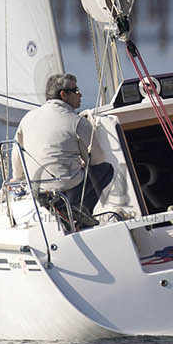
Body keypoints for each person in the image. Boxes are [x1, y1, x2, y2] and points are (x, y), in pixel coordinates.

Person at [14, 73, 114, 230]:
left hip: (37, 191)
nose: (80, 94)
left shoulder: (27, 118)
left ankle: (70, 213)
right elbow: (97, 160)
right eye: (76, 90)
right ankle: (79, 212)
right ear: (63, 94)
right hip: (67, 191)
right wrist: (81, 163)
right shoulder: (78, 122)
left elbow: (17, 156)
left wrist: (17, 178)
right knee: (106, 169)